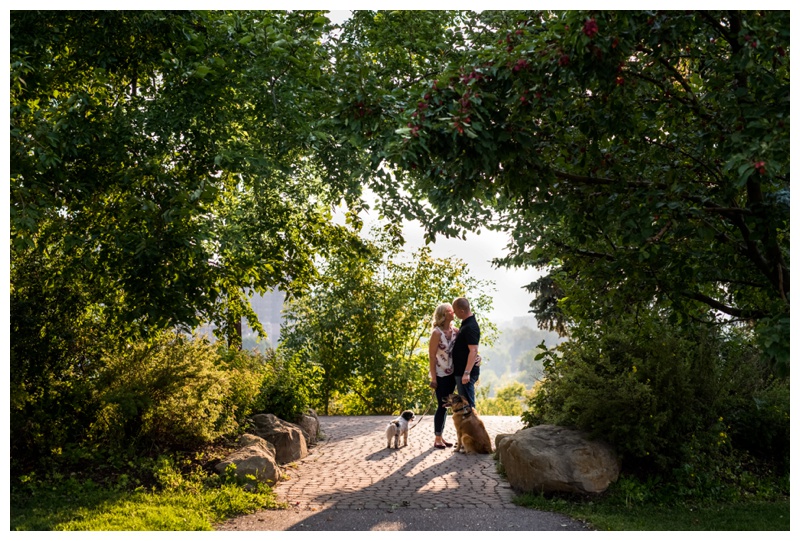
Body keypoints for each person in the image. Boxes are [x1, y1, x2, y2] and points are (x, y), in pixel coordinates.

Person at [428, 302, 457, 449]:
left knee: (446, 405)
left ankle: (442, 437)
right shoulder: (436, 333)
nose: (453, 312)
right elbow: (432, 357)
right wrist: (433, 378)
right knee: (441, 405)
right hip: (439, 374)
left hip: (452, 374)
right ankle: (437, 438)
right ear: (443, 314)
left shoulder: (455, 331)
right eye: (450, 310)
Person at [451, 297, 481, 409]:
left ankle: (472, 426)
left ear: (462, 311)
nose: (454, 313)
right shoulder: (466, 324)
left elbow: (473, 350)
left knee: (467, 405)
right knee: (464, 405)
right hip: (461, 371)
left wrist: (467, 372)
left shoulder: (470, 326)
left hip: (466, 373)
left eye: (455, 310)